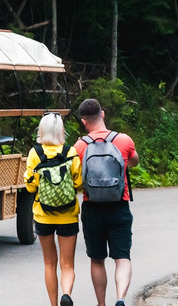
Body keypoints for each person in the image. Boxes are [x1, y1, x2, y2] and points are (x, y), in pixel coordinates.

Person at [73, 99, 139, 306]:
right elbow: (135, 162)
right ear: (103, 114)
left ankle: (101, 304)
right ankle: (120, 298)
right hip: (119, 205)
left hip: (92, 207)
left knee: (97, 259)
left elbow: (76, 178)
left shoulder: (80, 145)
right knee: (122, 258)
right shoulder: (124, 140)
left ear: (84, 122)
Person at [24, 112, 84, 306]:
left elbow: (30, 186)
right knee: (67, 265)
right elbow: (79, 184)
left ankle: (53, 304)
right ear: (61, 131)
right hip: (67, 216)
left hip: (43, 215)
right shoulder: (71, 152)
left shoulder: (35, 153)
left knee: (50, 263)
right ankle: (66, 294)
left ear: (41, 130)